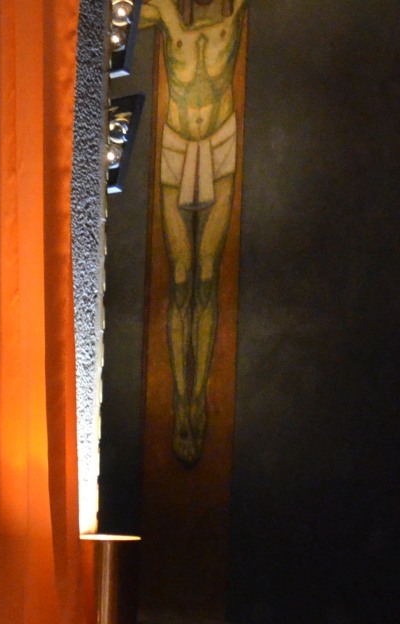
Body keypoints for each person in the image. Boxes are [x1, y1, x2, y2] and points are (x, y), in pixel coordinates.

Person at [144, 0, 248, 467]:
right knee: (180, 277)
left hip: (221, 140)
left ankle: (197, 398)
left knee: (207, 275)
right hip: (176, 143)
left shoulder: (233, 14)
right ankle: (178, 400)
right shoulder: (166, 12)